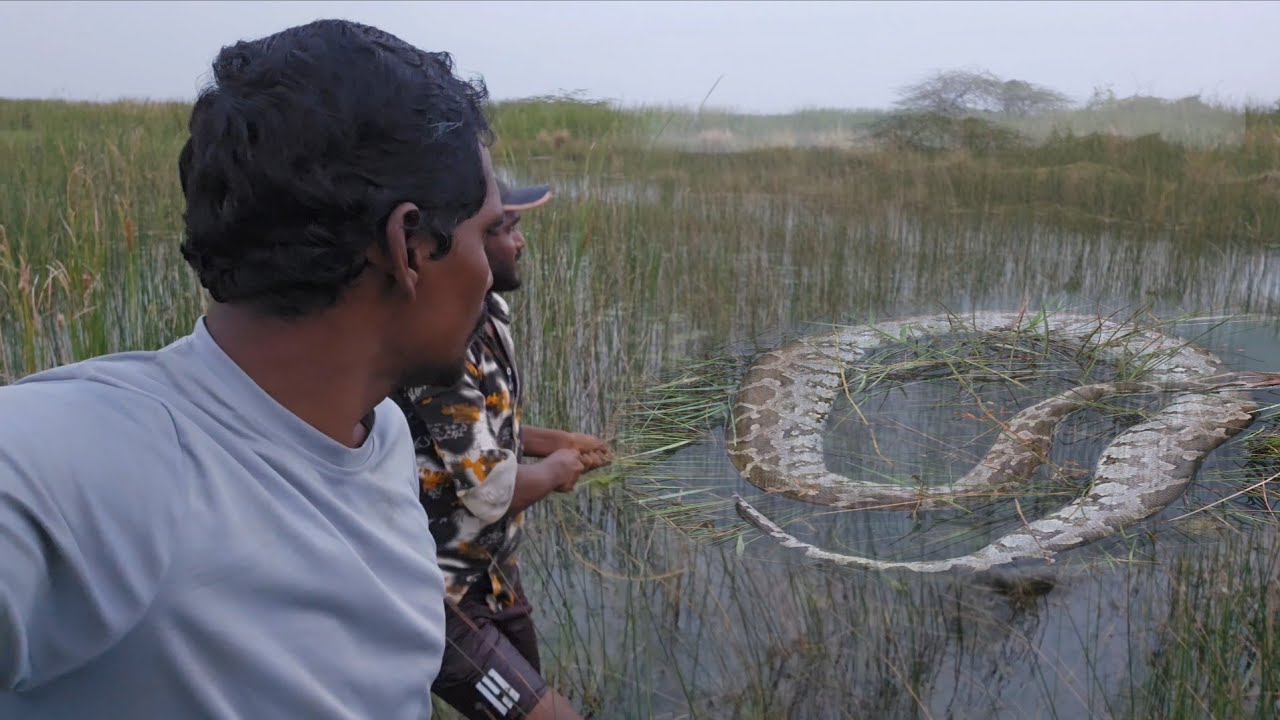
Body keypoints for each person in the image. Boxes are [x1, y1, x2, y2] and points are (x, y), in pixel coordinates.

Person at [0, 19, 501, 719]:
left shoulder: (377, 433)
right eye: (487, 232)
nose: (493, 275)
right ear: (409, 246)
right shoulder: (94, 460)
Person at [395, 180, 613, 719]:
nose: (519, 242)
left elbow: (480, 434)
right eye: (504, 229)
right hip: (442, 591)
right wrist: (557, 470)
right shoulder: (439, 346)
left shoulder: (487, 313)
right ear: (460, 244)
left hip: (492, 571)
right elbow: (491, 491)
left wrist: (553, 442)